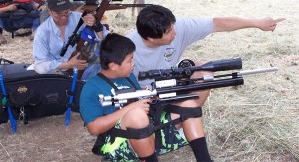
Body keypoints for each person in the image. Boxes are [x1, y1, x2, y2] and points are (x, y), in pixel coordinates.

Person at [80, 32, 212, 161]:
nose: (133, 64)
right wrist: (132, 108)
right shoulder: (92, 88)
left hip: (148, 133)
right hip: (118, 145)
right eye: (129, 60)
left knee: (188, 104)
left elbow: (141, 103)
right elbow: (94, 128)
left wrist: (152, 97)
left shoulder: (128, 76)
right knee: (136, 114)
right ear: (113, 65)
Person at [126, 5, 285, 106]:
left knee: (204, 72)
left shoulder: (178, 28)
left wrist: (257, 23)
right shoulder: (128, 48)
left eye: (173, 27)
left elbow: (217, 23)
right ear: (151, 38)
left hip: (172, 81)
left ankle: (183, 121)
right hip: (145, 96)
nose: (175, 33)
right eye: (168, 32)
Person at [32, 0, 108, 81]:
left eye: (66, 12)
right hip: (57, 74)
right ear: (50, 11)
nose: (63, 17)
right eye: (59, 14)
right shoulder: (42, 32)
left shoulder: (79, 18)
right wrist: (68, 64)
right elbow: (39, 66)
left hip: (85, 67)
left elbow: (105, 39)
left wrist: (96, 25)